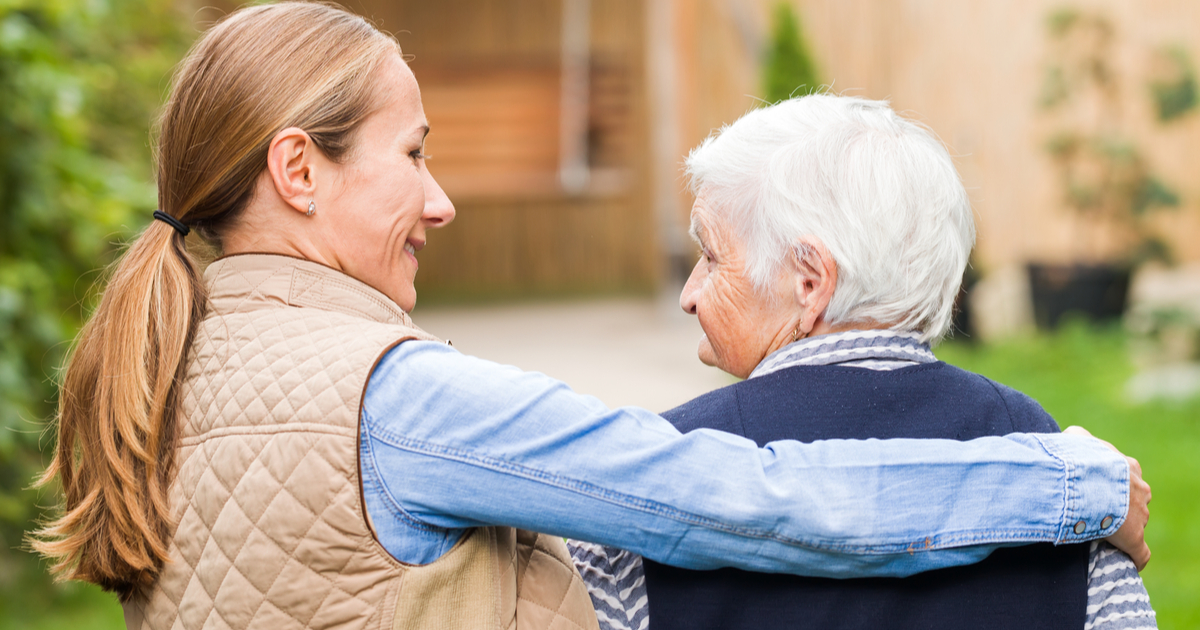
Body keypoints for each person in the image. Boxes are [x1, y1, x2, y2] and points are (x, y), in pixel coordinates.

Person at [31, 4, 1148, 630]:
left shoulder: (171, 367)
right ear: (299, 170)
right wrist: (1077, 485)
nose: (440, 199)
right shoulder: (393, 399)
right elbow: (755, 501)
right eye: (413, 154)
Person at [569, 95, 1156, 630]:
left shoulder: (645, 485)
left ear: (810, 280)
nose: (689, 294)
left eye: (711, 256)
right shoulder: (1062, 469)